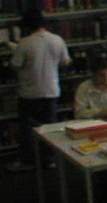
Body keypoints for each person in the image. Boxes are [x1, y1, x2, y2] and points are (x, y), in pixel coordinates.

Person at [6, 9, 70, 171]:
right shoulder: (57, 39)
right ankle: (50, 159)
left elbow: (16, 65)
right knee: (50, 128)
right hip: (51, 91)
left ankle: (28, 161)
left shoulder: (25, 43)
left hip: (29, 93)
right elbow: (65, 62)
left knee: (28, 129)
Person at [73, 55, 107, 119]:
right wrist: (99, 112)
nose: (106, 78)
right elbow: (79, 113)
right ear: (93, 74)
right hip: (92, 123)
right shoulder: (83, 88)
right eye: (101, 75)